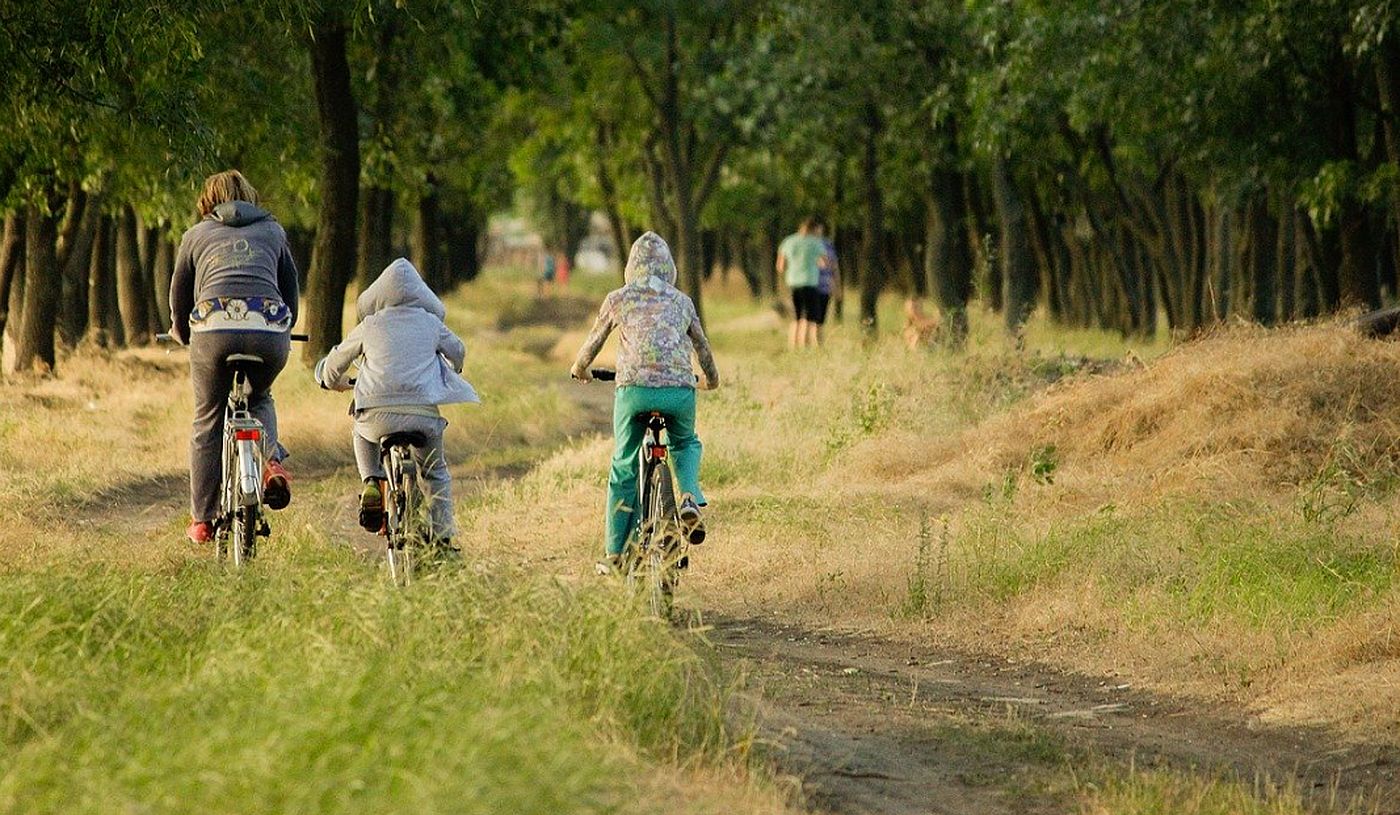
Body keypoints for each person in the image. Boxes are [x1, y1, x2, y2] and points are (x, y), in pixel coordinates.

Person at [570, 232, 720, 572]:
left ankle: (615, 553)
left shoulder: (618, 298)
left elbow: (592, 343)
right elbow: (703, 348)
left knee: (624, 463)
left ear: (630, 267)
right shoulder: (683, 302)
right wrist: (711, 380)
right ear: (669, 268)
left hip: (634, 391)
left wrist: (580, 368)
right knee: (684, 442)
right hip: (680, 391)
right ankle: (688, 498)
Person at [314, 258, 479, 554]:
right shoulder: (430, 323)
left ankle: (372, 482)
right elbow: (458, 352)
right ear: (422, 295)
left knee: (361, 433)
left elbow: (335, 363)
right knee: (435, 472)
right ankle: (442, 537)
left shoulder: (370, 324)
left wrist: (330, 380)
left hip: (376, 415)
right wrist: (455, 367)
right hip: (422, 415)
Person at [170, 170, 298, 545]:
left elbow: (179, 293)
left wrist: (181, 332)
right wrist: (285, 326)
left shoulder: (195, 236)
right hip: (269, 328)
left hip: (212, 329)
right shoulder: (274, 232)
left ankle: (203, 519)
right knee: (260, 397)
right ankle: (271, 462)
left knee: (208, 418)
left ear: (208, 201)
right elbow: (290, 288)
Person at [776, 216, 828, 348]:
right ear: (812, 229)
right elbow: (824, 263)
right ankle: (805, 345)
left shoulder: (788, 241)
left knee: (796, 317)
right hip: (810, 282)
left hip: (793, 282)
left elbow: (780, 266)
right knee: (809, 318)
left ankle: (793, 346)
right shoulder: (816, 243)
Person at [813, 218, 840, 344]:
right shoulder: (806, 244)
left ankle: (818, 344)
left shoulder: (828, 244)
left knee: (820, 319)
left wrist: (836, 285)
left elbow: (834, 266)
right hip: (810, 285)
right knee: (811, 318)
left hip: (825, 285)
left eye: (819, 227)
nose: (818, 230)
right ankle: (812, 344)